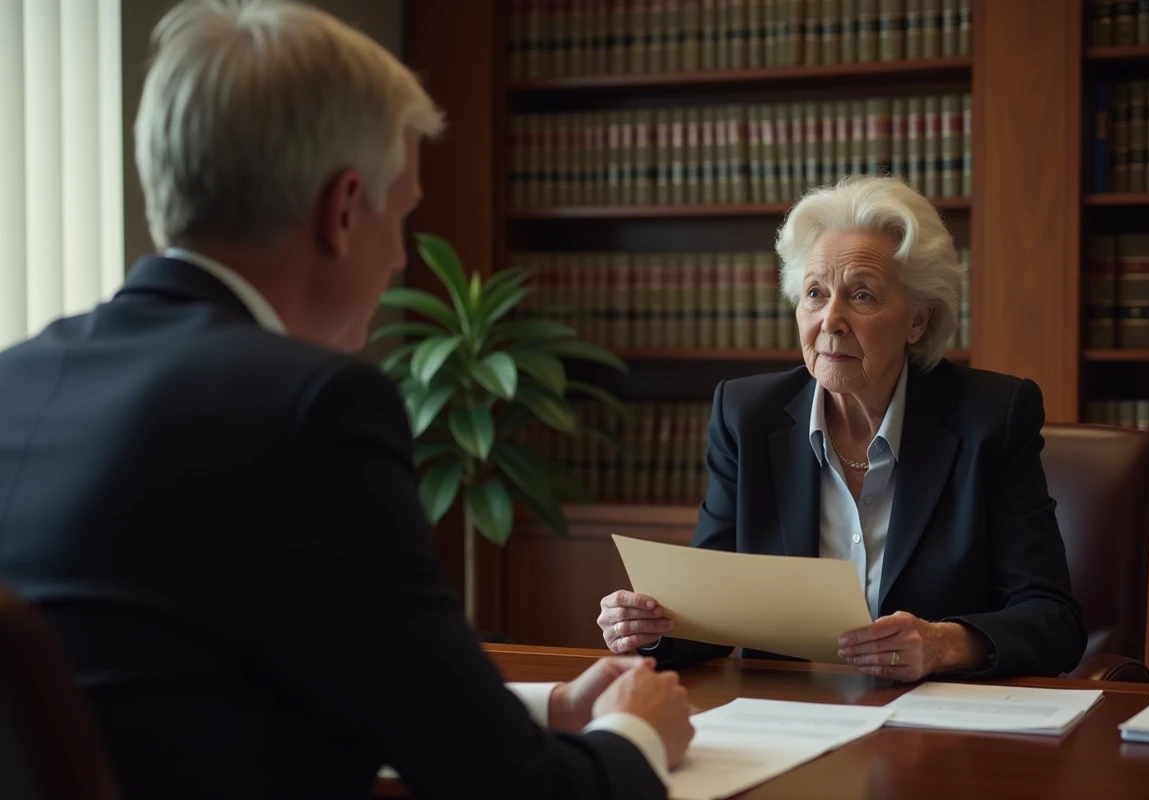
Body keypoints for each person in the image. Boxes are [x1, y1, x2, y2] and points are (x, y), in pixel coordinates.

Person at [0, 1, 693, 798]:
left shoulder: (13, 377)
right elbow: (511, 789)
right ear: (342, 208)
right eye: (400, 214)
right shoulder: (309, 408)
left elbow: (191, 690)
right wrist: (639, 733)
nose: (401, 253)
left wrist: (539, 709)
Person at [597, 175, 1087, 681]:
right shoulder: (747, 416)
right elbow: (712, 613)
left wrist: (945, 644)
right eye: (815, 293)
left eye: (862, 296)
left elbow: (1053, 621)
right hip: (788, 717)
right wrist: (651, 626)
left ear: (917, 320)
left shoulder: (992, 418)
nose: (830, 319)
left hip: (935, 726)